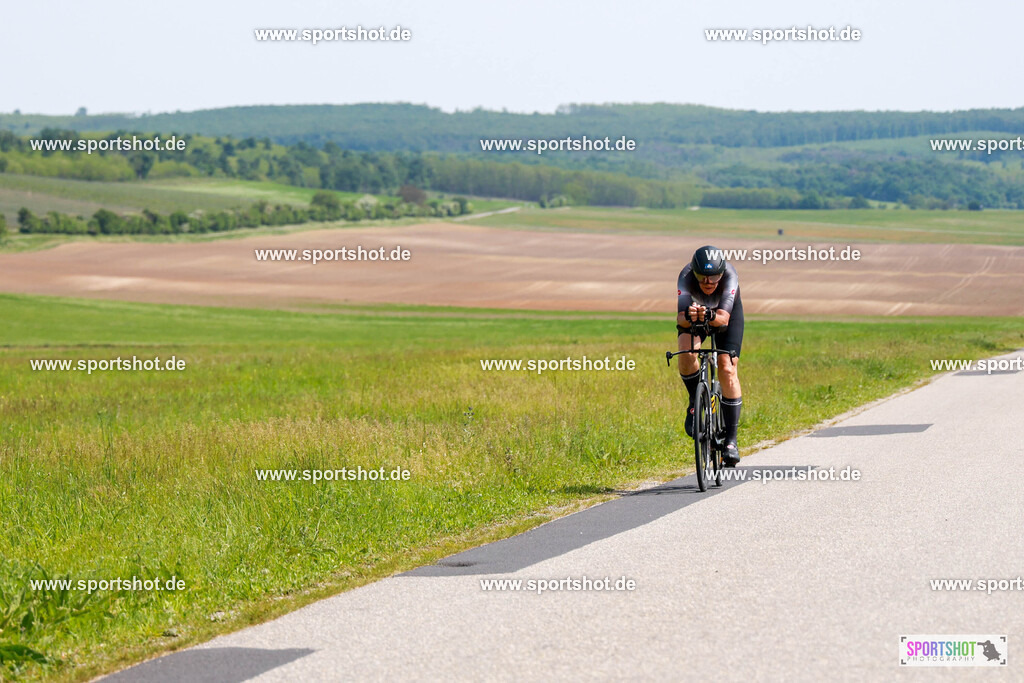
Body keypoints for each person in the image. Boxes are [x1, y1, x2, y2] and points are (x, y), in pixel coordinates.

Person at [676, 245, 744, 467]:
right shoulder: (685, 277)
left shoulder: (730, 277)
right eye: (702, 277)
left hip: (725, 317)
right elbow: (680, 320)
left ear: (722, 273)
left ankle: (731, 441)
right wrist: (690, 315)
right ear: (694, 272)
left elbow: (723, 320)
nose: (707, 283)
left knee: (727, 368)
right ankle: (694, 403)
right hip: (697, 315)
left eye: (713, 277)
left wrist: (710, 314)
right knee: (686, 352)